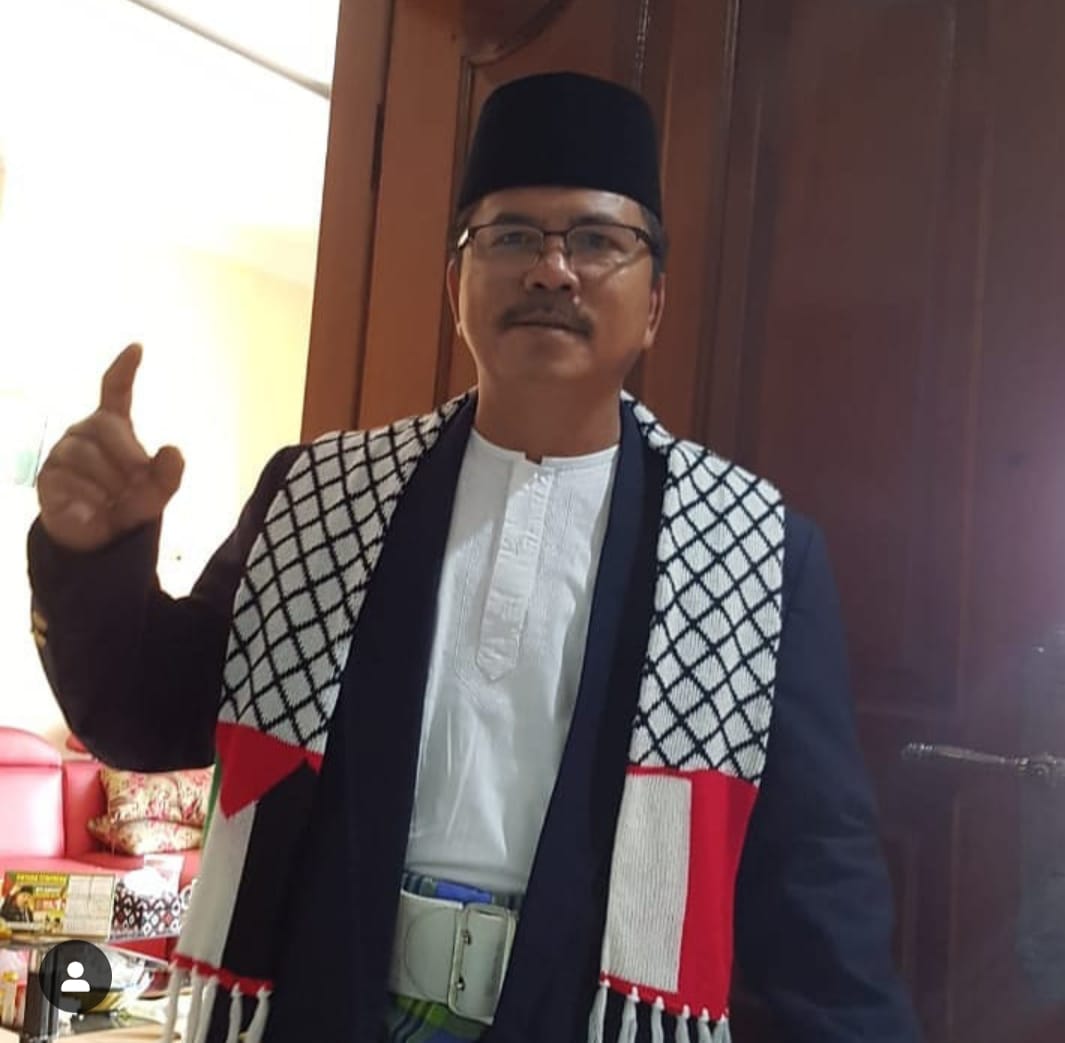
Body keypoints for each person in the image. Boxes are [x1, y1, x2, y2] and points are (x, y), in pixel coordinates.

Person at [26, 72, 922, 1043]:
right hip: (323, 1001)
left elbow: (819, 885)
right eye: (511, 236)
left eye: (596, 239)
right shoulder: (320, 494)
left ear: (654, 301)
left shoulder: (751, 552)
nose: (551, 270)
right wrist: (93, 558)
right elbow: (144, 715)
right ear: (457, 285)